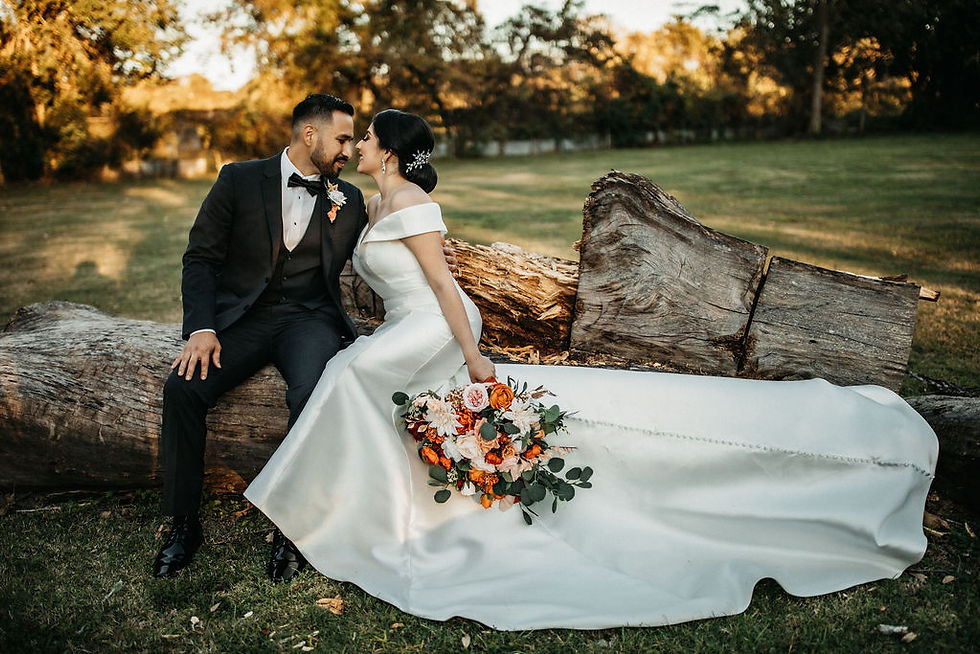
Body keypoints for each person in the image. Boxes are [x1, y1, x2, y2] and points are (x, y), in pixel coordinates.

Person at [244, 109, 938, 629]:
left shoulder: (416, 204)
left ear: (388, 151)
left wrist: (476, 356)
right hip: (407, 324)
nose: (355, 145)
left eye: (363, 138)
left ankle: (309, 518)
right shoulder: (374, 201)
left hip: (431, 328)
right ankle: (342, 515)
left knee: (346, 379)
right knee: (359, 387)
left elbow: (446, 289)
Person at [153, 94, 455, 582]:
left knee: (313, 394)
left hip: (310, 319)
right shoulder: (238, 179)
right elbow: (201, 258)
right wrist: (202, 328)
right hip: (243, 320)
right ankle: (183, 524)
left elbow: (403, 238)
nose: (348, 150)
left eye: (355, 140)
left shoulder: (350, 200)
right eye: (340, 139)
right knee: (183, 388)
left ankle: (290, 531)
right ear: (309, 135)